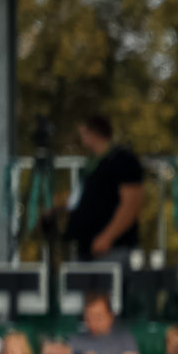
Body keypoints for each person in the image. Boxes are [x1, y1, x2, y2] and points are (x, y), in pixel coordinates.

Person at [61, 113, 145, 264]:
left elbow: (131, 204)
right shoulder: (92, 164)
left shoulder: (122, 160)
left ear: (94, 133)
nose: (82, 139)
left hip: (112, 249)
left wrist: (107, 237)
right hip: (86, 249)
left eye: (84, 133)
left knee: (107, 285)